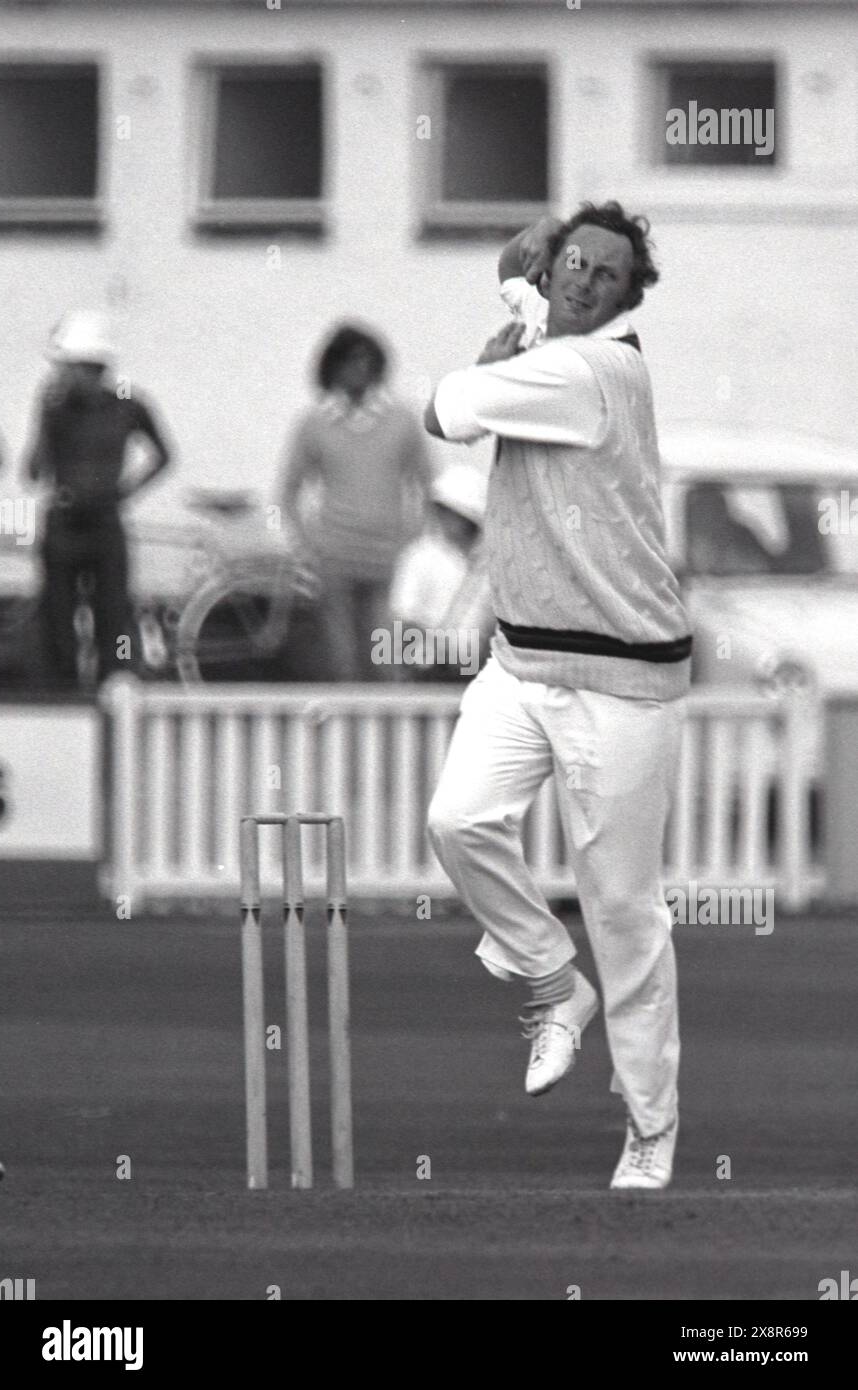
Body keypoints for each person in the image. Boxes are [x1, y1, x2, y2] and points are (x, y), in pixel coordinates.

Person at [424, 202, 692, 1191]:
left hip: (622, 675)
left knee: (623, 910)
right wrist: (515, 317)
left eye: (606, 272)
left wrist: (504, 336)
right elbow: (474, 400)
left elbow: (443, 412)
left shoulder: (591, 370)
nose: (585, 279)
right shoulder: (544, 352)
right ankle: (549, 979)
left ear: (628, 297)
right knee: (456, 820)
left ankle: (651, 1134)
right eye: (572, 261)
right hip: (523, 657)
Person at [23, 311, 172, 688]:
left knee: (114, 618)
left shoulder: (126, 402)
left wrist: (127, 491)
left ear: (97, 367)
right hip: (63, 525)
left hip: (105, 523)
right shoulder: (55, 408)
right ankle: (63, 691)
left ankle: (116, 679)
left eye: (75, 368)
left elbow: (164, 455)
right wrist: (44, 415)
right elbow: (34, 472)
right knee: (58, 618)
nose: (68, 376)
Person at [277, 323, 432, 680]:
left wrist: (414, 539)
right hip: (334, 562)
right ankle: (344, 736)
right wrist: (308, 546)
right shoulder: (314, 424)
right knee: (341, 661)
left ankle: (394, 733)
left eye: (366, 362)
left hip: (389, 561)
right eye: (348, 362)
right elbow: (288, 491)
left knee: (387, 658)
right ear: (331, 368)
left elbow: (428, 487)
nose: (357, 371)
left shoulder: (402, 422)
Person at [389, 463, 491, 680]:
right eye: (442, 510)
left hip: (480, 672)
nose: (445, 517)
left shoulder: (492, 565)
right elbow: (404, 619)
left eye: (452, 511)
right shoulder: (419, 556)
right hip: (430, 670)